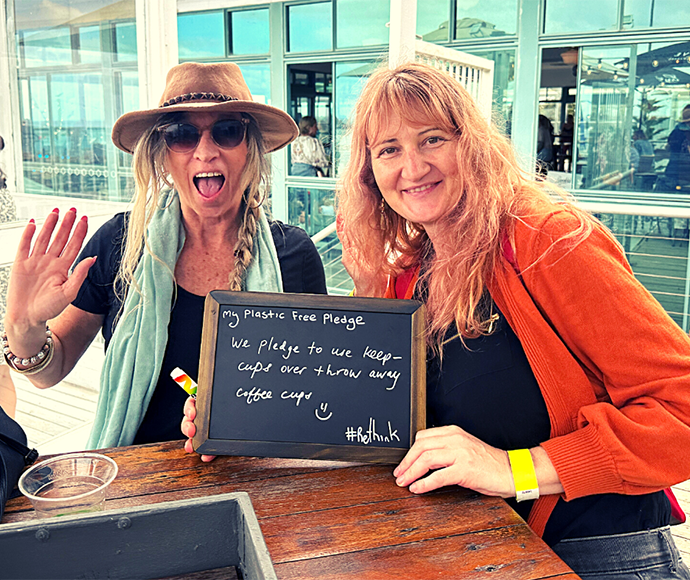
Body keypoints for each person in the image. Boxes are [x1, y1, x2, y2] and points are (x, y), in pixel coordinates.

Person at [336, 62, 690, 579]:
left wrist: (512, 469)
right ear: (370, 172)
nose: (411, 167)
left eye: (431, 139)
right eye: (388, 149)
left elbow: (681, 408)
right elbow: (373, 414)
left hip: (599, 552)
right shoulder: (411, 273)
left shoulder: (546, 240)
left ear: (471, 146)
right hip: (483, 548)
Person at [2, 62, 327, 449]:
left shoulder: (296, 256)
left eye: (227, 131)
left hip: (258, 477)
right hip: (136, 481)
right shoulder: (120, 244)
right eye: (181, 134)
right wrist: (24, 324)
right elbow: (49, 371)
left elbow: (316, 394)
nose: (205, 152)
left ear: (250, 147)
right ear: (162, 154)